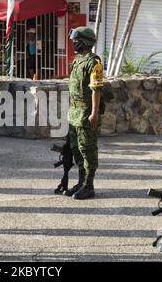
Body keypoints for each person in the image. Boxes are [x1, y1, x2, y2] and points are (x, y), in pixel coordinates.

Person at [65, 26, 103, 200]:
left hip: (86, 112)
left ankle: (89, 185)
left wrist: (94, 113)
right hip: (74, 112)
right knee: (76, 149)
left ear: (85, 42)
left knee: (87, 149)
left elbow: (96, 90)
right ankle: (81, 182)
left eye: (76, 40)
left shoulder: (93, 63)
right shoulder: (77, 60)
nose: (74, 43)